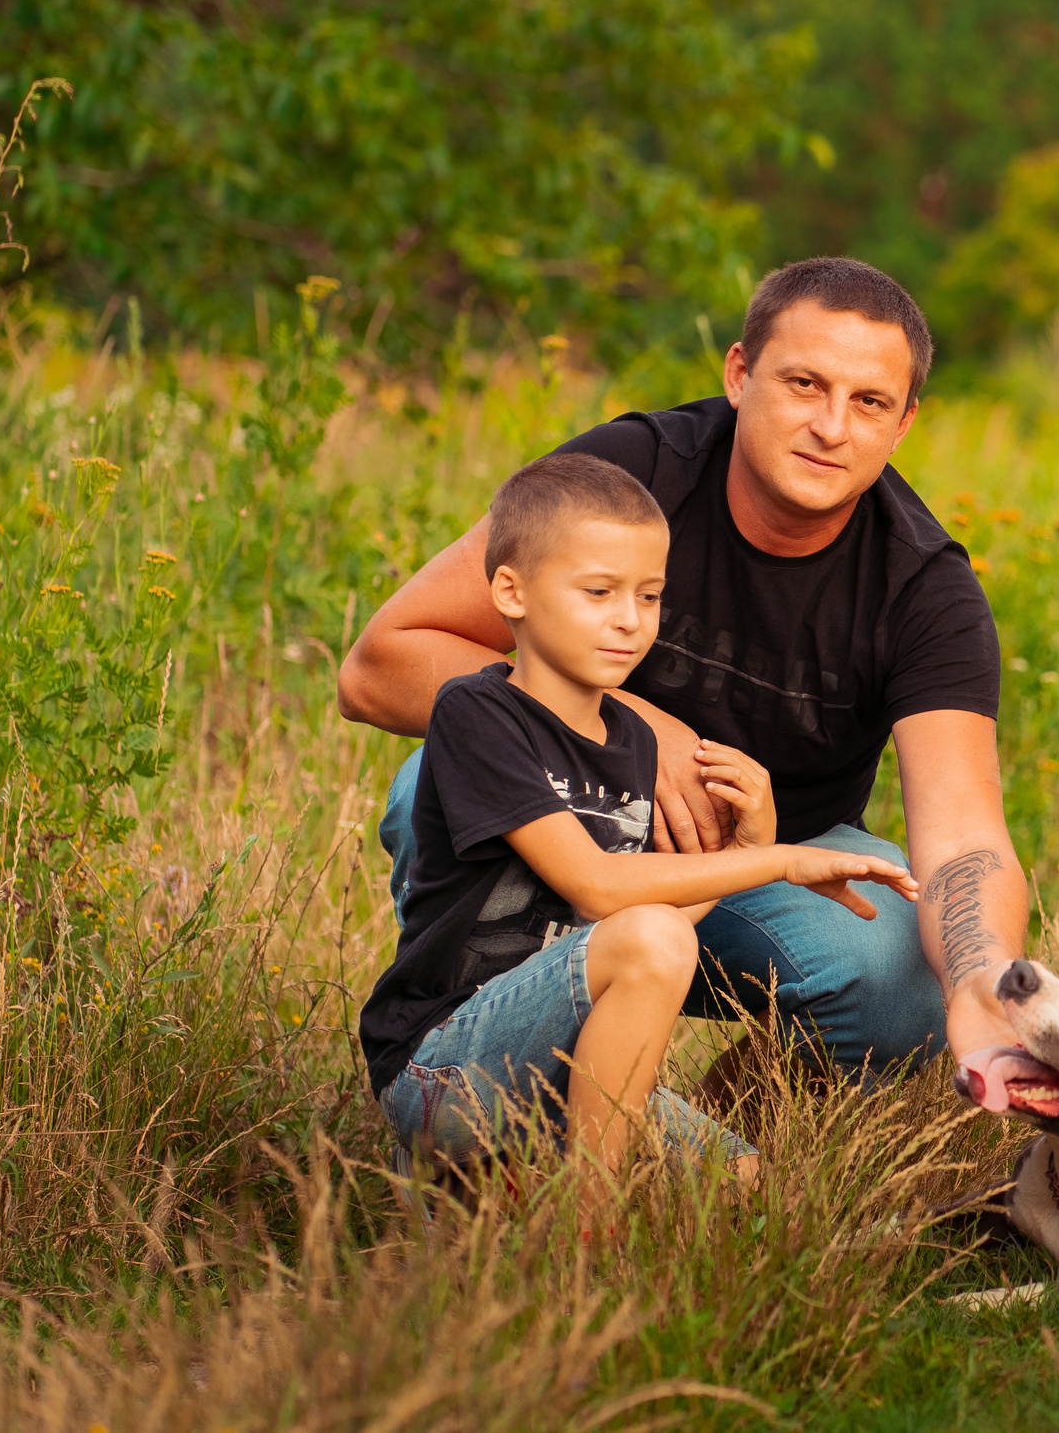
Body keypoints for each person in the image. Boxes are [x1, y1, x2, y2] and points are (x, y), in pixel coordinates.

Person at [340, 258, 1030, 1094]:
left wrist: (983, 982)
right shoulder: (638, 472)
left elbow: (963, 837)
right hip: (560, 836)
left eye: (869, 402)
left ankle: (716, 1112)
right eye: (804, 383)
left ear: (904, 422)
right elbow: (381, 663)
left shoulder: (925, 587)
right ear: (740, 374)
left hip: (762, 862)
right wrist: (630, 728)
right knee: (429, 793)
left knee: (905, 967)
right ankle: (477, 1082)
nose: (832, 426)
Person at [356, 453, 918, 1195]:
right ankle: (588, 1235)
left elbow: (641, 923)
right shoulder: (478, 711)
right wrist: (778, 859)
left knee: (749, 1184)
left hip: (560, 1067)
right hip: (449, 1069)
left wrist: (746, 841)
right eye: (598, 592)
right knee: (651, 936)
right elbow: (592, 880)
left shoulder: (630, 741)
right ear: (510, 590)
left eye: (649, 596)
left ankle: (539, 1171)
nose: (629, 619)